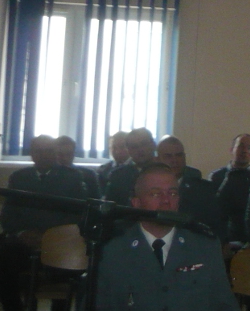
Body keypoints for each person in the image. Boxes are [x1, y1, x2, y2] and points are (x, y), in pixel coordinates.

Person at [95, 163, 238, 311]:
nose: (166, 201)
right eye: (155, 194)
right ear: (136, 203)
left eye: (172, 193)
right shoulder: (113, 251)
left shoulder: (204, 246)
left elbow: (225, 305)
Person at [0, 135, 88, 311]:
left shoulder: (72, 177)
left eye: (48, 151)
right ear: (31, 154)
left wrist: (50, 236)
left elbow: (78, 215)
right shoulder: (19, 177)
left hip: (59, 243)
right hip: (24, 241)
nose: (44, 155)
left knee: (68, 270)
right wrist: (22, 233)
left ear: (55, 153)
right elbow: (7, 215)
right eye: (39, 151)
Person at [157, 136, 226, 243]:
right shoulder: (149, 188)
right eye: (168, 156)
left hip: (194, 244)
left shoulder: (203, 189)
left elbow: (215, 224)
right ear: (157, 159)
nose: (174, 160)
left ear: (184, 157)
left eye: (179, 155)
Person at [105, 128, 159, 206]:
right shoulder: (118, 176)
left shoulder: (166, 172)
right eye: (134, 147)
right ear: (129, 150)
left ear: (154, 145)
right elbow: (110, 208)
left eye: (144, 144)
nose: (140, 149)